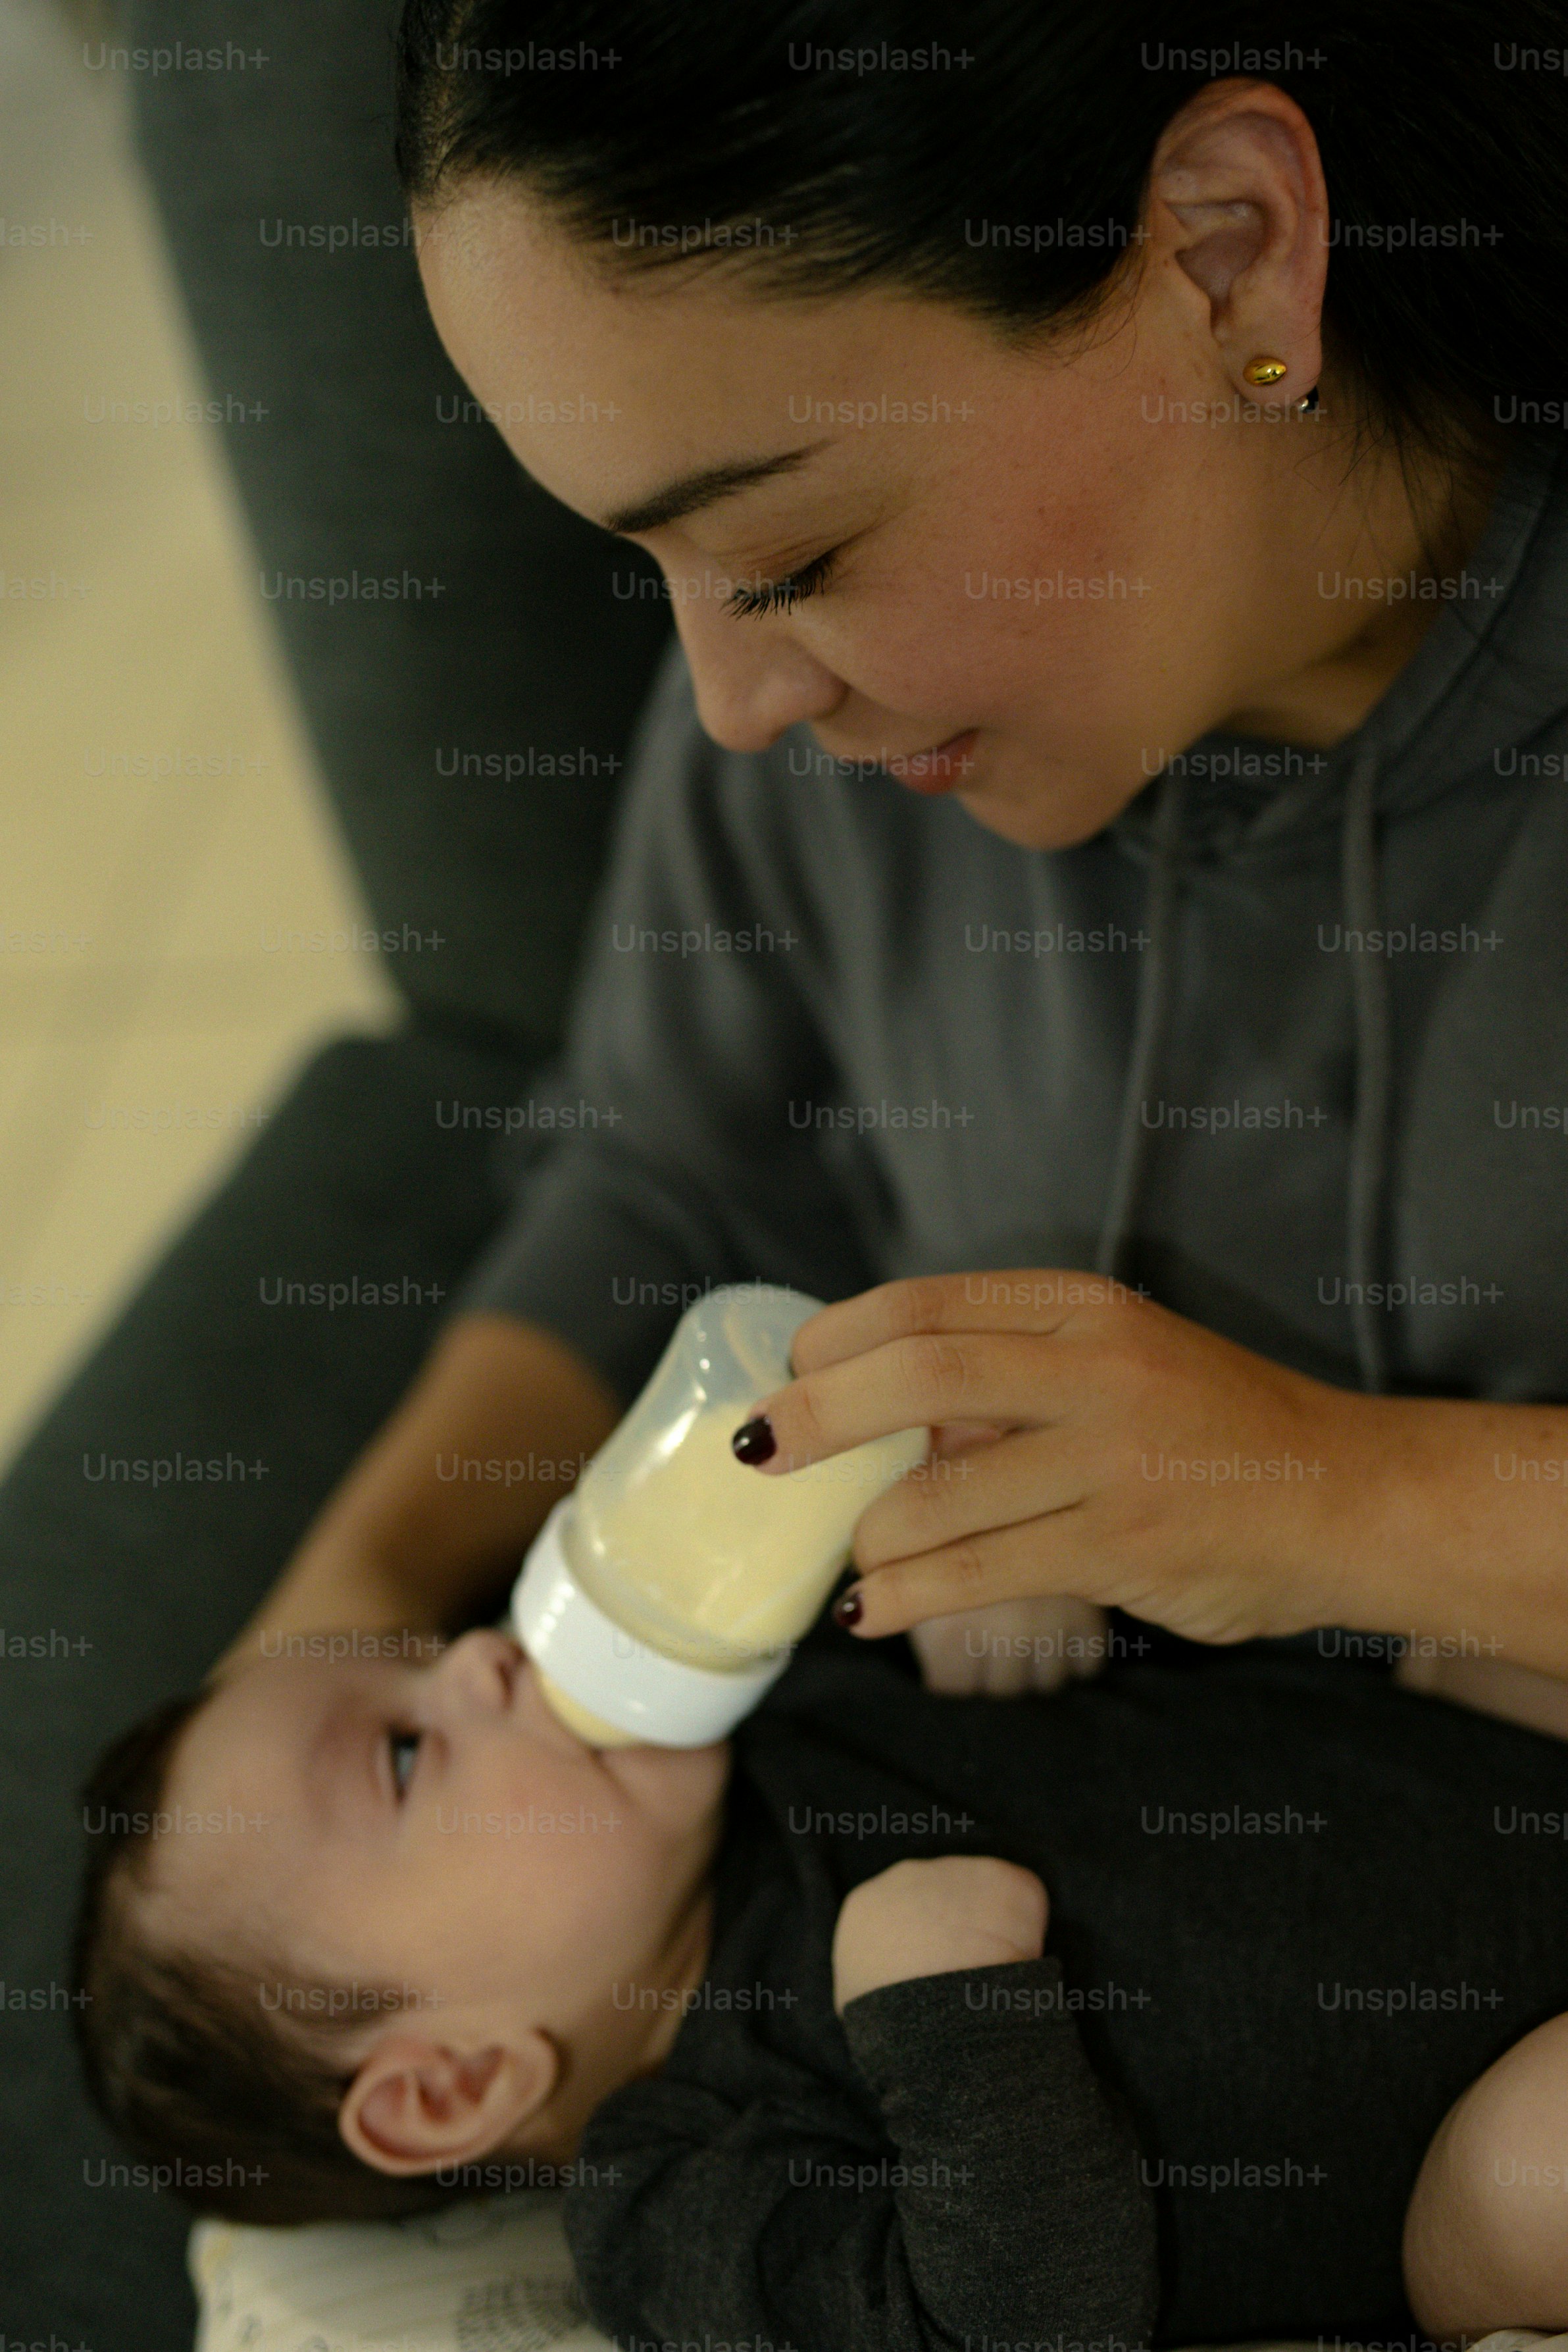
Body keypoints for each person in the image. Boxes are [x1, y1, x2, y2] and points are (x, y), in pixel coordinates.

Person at [66, 1618, 1568, 2345]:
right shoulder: (677, 2201)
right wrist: (948, 2028)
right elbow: (1021, 2338)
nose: (481, 1650)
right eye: (405, 1750)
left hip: (1481, 1756)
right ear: (453, 2082)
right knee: (1531, 2174)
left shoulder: (780, 1708)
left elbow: (1174, 1657)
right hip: (1476, 2130)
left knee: (1475, 1596)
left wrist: (1032, 1597)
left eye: (418, 1653)